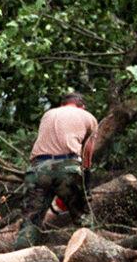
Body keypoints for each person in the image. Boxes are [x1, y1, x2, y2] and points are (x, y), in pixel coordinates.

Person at [15, 92, 98, 249]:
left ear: (62, 105)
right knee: (83, 219)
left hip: (37, 168)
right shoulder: (88, 117)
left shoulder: (48, 114)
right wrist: (85, 186)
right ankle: (92, 255)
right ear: (82, 106)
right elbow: (87, 156)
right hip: (67, 167)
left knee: (30, 221)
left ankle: (19, 260)